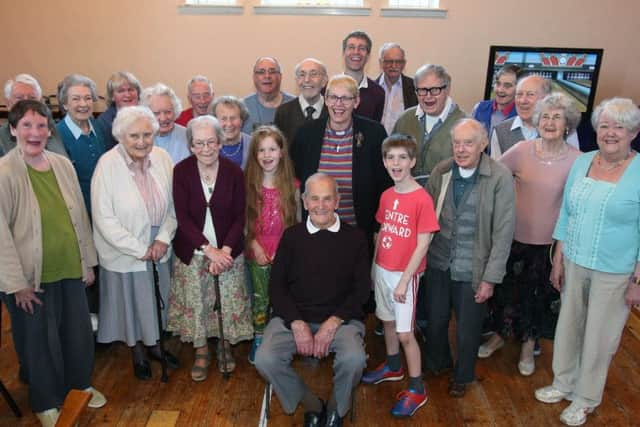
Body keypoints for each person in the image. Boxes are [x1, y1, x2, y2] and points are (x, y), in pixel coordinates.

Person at [535, 98, 640, 427]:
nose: (610, 133)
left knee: (599, 337)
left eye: (619, 127)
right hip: (575, 260)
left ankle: (584, 398)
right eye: (605, 125)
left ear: (633, 132)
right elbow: (567, 212)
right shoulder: (583, 162)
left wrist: (638, 280)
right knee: (568, 326)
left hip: (616, 270)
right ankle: (563, 382)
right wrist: (558, 259)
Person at [0, 100, 105, 427]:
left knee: (77, 333)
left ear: (50, 130)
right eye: (27, 126)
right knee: (38, 340)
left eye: (42, 126)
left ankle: (80, 384)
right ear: (13, 130)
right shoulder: (5, 171)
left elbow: (79, 217)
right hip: (31, 276)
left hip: (70, 267)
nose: (35, 133)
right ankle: (46, 400)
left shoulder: (62, 164)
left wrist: (87, 261)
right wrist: (16, 283)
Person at [254, 173, 370, 427]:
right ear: (304, 202)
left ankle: (336, 411)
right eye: (314, 199)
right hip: (293, 317)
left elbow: (362, 291)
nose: (320, 205)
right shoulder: (292, 237)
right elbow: (277, 287)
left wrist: (333, 323)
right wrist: (296, 323)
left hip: (341, 320)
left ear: (337, 201)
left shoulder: (356, 238)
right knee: (265, 359)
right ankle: (312, 405)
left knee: (355, 359)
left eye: (327, 199)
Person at [478, 93, 581, 375]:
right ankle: (500, 335)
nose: (549, 122)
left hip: (549, 244)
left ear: (568, 124)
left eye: (557, 117)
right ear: (537, 120)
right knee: (504, 292)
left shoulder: (578, 161)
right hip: (512, 238)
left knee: (537, 298)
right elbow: (492, 174)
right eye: (545, 116)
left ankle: (527, 347)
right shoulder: (522, 149)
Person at [423, 118, 515, 397]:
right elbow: (425, 219)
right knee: (436, 320)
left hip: (474, 268)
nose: (461, 149)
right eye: (457, 143)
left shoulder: (499, 177)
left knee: (467, 330)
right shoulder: (442, 171)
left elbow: (503, 232)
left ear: (483, 144)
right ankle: (438, 364)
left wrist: (490, 278)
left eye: (468, 143)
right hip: (439, 263)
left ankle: (463, 375)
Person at [91, 106, 178, 381]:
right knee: (131, 304)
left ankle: (155, 345)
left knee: (155, 301)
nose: (142, 142)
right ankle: (138, 352)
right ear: (120, 136)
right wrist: (140, 249)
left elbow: (174, 205)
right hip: (125, 250)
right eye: (134, 136)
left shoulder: (163, 158)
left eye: (147, 135)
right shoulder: (107, 164)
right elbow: (104, 218)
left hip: (159, 245)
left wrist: (163, 238)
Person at [168, 115, 252, 379]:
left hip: (228, 251)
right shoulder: (180, 171)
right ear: (191, 145)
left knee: (226, 302)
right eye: (199, 143)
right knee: (197, 304)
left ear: (220, 142)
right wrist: (208, 249)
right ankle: (202, 349)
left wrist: (224, 250)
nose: (205, 149)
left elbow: (240, 215)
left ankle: (225, 345)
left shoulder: (233, 171)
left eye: (211, 142)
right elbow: (182, 218)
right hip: (193, 250)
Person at [361, 134, 439, 417]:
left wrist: (405, 280)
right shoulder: (387, 195)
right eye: (390, 158)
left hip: (404, 277)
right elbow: (382, 233)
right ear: (384, 162)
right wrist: (374, 266)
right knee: (388, 322)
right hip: (383, 269)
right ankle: (393, 366)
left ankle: (417, 388)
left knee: (406, 333)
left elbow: (424, 243)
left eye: (402, 158)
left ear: (413, 161)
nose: (396, 163)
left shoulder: (421, 198)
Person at [291, 74, 392, 251]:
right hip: (314, 233)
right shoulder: (307, 134)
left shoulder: (374, 134)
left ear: (356, 102)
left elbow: (385, 186)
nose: (339, 104)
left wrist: (379, 227)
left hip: (360, 235)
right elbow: (294, 179)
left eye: (346, 98)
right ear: (326, 100)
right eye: (333, 97)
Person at [244, 126, 300, 364]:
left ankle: (281, 341)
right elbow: (244, 221)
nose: (267, 155)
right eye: (261, 150)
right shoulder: (248, 184)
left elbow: (297, 223)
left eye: (272, 149)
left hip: (284, 252)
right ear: (255, 155)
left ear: (281, 152)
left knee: (283, 298)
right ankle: (259, 339)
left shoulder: (293, 186)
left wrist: (285, 250)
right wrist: (255, 245)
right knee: (260, 299)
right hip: (257, 251)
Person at [393, 64, 467, 180]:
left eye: (434, 90)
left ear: (447, 89)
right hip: (407, 195)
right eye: (422, 90)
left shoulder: (465, 125)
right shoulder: (404, 120)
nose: (428, 96)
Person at [56, 74, 109, 216]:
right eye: (76, 99)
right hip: (76, 211)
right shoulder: (56, 135)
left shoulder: (98, 127)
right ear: (65, 104)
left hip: (104, 207)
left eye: (88, 98)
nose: (83, 104)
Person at [1, 74, 67, 157]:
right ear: (8, 104)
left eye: (32, 98)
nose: (27, 103)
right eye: (19, 98)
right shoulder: (2, 139)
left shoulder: (54, 130)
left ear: (40, 102)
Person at [274, 58, 329, 145]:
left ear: (324, 81)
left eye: (313, 74)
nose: (307, 80)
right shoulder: (283, 112)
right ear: (296, 80)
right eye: (302, 75)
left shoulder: (333, 111)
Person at [140, 83, 190, 164]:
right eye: (156, 113)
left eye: (168, 112)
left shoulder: (187, 136)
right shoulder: (140, 138)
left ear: (175, 111)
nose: (163, 118)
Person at [342, 30, 385, 122]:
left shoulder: (378, 93)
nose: (356, 52)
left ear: (368, 55)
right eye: (351, 47)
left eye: (361, 48)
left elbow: (375, 129)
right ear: (344, 53)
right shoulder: (328, 89)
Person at [243, 57, 294, 133]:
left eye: (272, 72)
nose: (267, 76)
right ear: (254, 77)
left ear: (280, 77)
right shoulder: (242, 107)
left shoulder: (295, 105)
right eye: (261, 72)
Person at [376, 43, 418, 134]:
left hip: (405, 144)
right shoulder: (372, 89)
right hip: (376, 145)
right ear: (381, 63)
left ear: (404, 64)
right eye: (389, 61)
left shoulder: (415, 88)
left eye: (398, 62)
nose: (393, 65)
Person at [471, 64, 521, 137]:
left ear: (519, 89)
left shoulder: (522, 116)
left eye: (507, 86)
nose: (500, 90)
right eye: (498, 84)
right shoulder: (479, 107)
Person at [97, 71, 141, 148]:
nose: (127, 95)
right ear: (112, 97)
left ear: (138, 92)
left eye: (131, 89)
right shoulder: (104, 122)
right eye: (121, 91)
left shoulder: (147, 114)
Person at [210, 95, 251, 169]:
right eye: (223, 118)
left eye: (233, 118)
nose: (229, 124)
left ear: (242, 120)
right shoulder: (207, 147)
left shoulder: (253, 144)